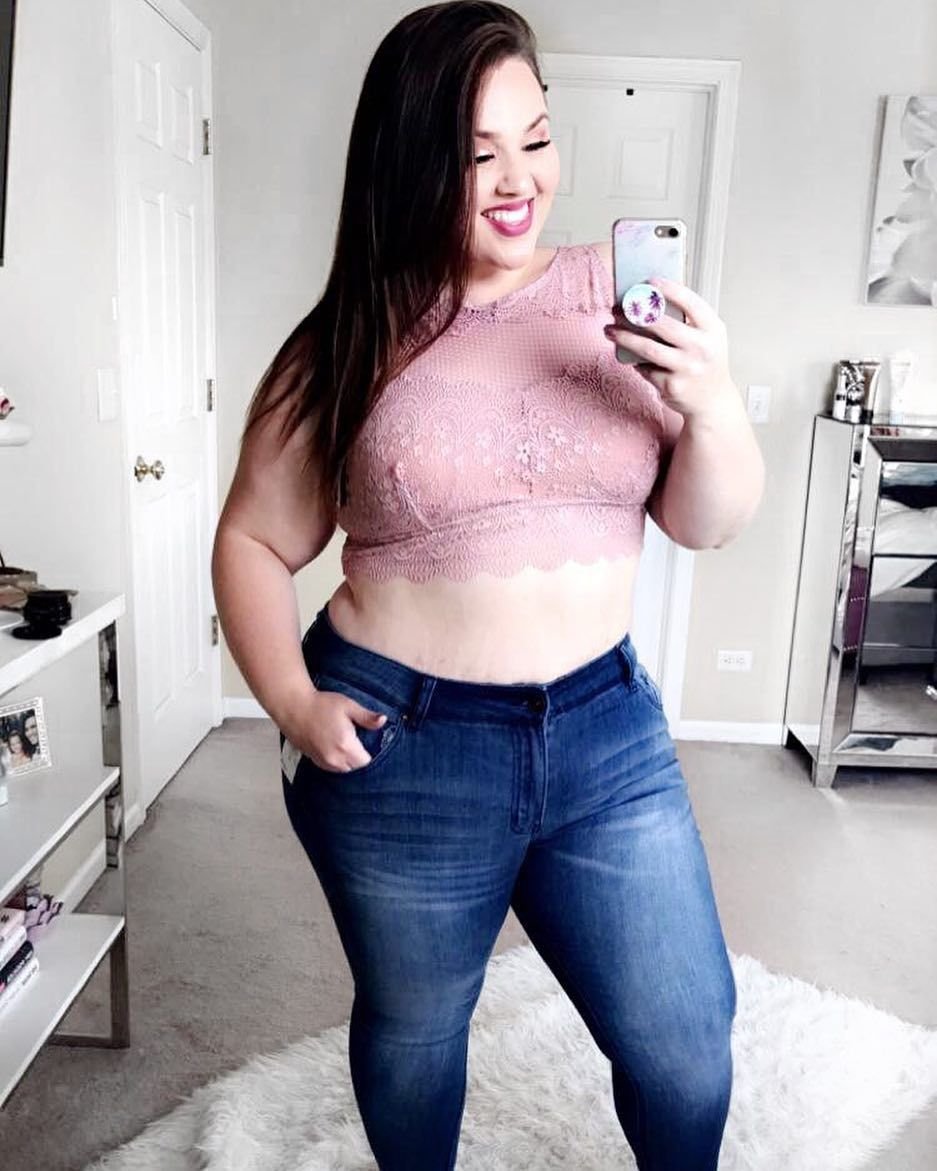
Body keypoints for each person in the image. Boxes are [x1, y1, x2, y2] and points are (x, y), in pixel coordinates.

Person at [211, 3, 765, 1168]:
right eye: (477, 155)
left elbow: (704, 522)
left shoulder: (622, 301)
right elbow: (254, 539)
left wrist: (711, 401)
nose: (519, 181)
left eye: (536, 139)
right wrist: (292, 703)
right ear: (412, 164)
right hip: (402, 745)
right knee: (416, 1032)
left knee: (685, 1040)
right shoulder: (352, 337)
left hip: (606, 734)